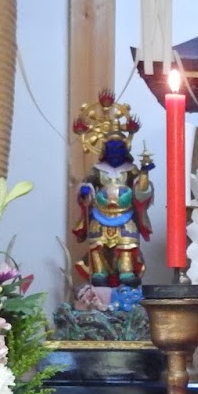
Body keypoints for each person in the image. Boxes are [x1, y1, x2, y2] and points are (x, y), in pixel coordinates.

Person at [73, 98, 155, 288]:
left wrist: (144, 174)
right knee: (97, 246)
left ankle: (126, 273)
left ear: (125, 150)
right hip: (100, 214)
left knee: (126, 245)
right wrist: (85, 190)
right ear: (104, 150)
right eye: (111, 149)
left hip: (125, 215)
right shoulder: (97, 169)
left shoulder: (131, 169)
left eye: (119, 148)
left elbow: (141, 191)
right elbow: (87, 185)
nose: (115, 152)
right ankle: (99, 273)